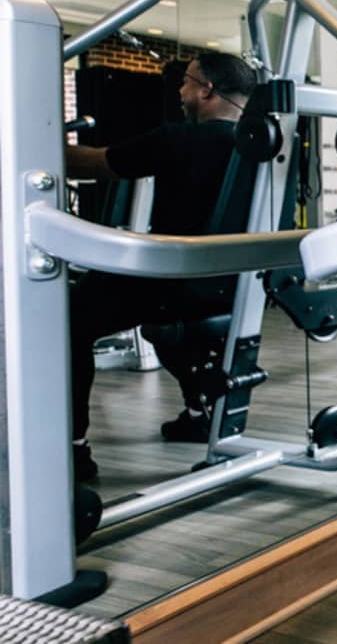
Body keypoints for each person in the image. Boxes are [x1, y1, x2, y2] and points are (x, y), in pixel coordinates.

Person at [64, 51, 258, 480]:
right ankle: (199, 413)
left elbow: (95, 164)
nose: (180, 90)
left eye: (187, 81)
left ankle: (73, 449)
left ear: (207, 89)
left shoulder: (176, 139)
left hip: (174, 282)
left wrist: (34, 146)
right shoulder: (261, 144)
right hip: (231, 283)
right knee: (168, 327)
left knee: (67, 319)